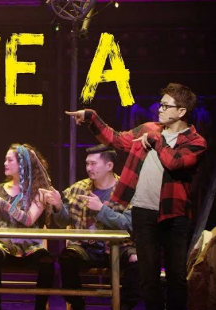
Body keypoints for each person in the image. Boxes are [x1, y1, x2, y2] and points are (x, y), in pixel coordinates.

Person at [66, 82, 207, 310]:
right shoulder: (148, 129)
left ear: (181, 111)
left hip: (174, 215)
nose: (160, 109)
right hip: (143, 213)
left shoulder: (195, 141)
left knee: (176, 277)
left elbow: (175, 162)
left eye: (166, 106)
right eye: (161, 104)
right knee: (148, 278)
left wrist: (156, 140)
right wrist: (91, 117)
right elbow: (116, 139)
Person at [42, 144, 140, 310]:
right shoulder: (78, 188)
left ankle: (122, 306)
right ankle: (77, 304)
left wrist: (101, 209)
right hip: (87, 248)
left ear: (109, 165)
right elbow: (63, 221)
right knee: (67, 258)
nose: (88, 168)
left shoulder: (126, 190)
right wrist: (58, 205)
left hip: (118, 247)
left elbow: (128, 224)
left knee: (137, 261)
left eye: (93, 164)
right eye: (87, 164)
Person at [0, 143, 54, 310]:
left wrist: (5, 205)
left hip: (31, 247)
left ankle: (40, 307)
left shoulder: (38, 190)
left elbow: (28, 220)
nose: (5, 163)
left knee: (46, 261)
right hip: (5, 245)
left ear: (22, 164)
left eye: (9, 160)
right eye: (5, 160)